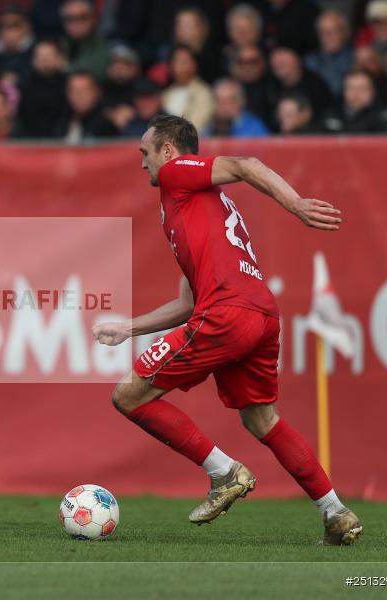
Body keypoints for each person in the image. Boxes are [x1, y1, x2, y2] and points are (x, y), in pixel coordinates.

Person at [92, 114, 362, 546]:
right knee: (262, 419)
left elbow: (245, 163)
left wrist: (296, 204)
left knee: (128, 395)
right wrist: (129, 327)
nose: (142, 163)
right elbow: (186, 303)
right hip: (260, 315)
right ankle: (334, 511)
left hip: (228, 313)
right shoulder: (199, 206)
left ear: (168, 151)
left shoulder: (178, 176)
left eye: (145, 153)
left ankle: (224, 472)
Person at [320, 70, 387, 135]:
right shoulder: (332, 113)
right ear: (344, 91)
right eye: (351, 88)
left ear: (373, 91)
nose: (356, 93)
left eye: (362, 88)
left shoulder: (384, 115)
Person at [304, 10, 354, 100]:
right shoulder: (310, 61)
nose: (328, 36)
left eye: (333, 31)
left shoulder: (355, 57)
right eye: (323, 32)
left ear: (345, 33)